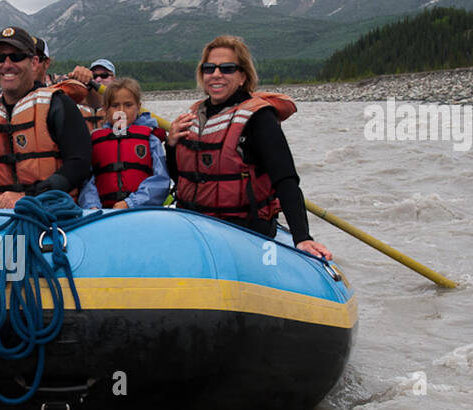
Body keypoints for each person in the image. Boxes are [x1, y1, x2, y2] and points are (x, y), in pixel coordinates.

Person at [166, 35, 331, 259]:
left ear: (243, 76)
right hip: (195, 226)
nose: (216, 74)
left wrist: (302, 237)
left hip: (244, 231)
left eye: (227, 68)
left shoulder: (259, 118)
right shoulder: (193, 115)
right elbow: (180, 177)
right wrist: (172, 145)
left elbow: (286, 179)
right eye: (209, 68)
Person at [0, 26, 92, 209]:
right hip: (1, 217)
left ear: (33, 62)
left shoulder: (58, 104)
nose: (7, 64)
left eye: (16, 57)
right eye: (0, 57)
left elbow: (79, 163)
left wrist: (29, 196)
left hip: (53, 214)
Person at [78, 77, 171, 210]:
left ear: (138, 107)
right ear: (105, 109)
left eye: (128, 105)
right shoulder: (95, 140)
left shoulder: (150, 139)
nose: (121, 111)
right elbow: (87, 181)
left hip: (140, 210)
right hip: (102, 212)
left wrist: (130, 203)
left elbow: (160, 180)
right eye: (115, 106)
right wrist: (92, 206)